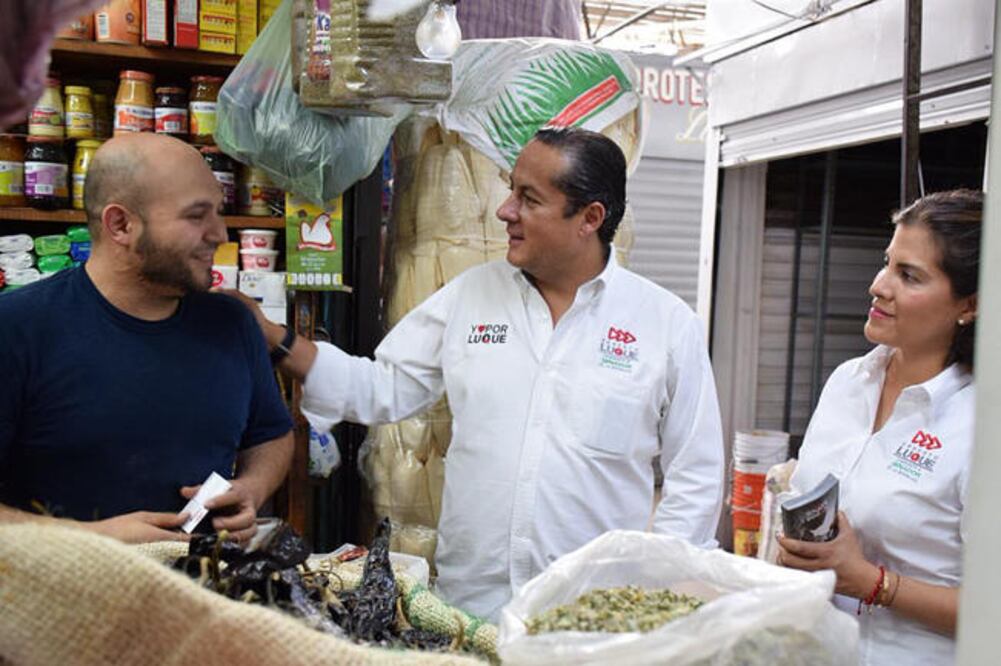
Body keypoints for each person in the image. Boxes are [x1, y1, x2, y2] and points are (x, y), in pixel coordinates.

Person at [235, 127, 725, 620]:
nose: (505, 210)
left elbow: (696, 473)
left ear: (589, 218)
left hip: (589, 621)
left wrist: (652, 593)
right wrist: (274, 338)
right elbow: (379, 388)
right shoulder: (471, 297)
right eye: (511, 189)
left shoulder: (663, 323)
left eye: (528, 199)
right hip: (471, 611)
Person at [0, 134, 294, 544]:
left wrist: (252, 487)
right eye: (196, 216)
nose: (220, 234)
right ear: (121, 224)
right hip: (61, 599)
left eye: (219, 211)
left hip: (204, 596)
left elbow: (272, 434)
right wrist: (93, 538)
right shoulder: (17, 328)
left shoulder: (233, 323)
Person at [778, 189, 981, 665]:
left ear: (969, 305)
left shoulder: (978, 424)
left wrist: (873, 583)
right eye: (886, 262)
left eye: (908, 276)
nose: (878, 285)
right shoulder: (849, 382)